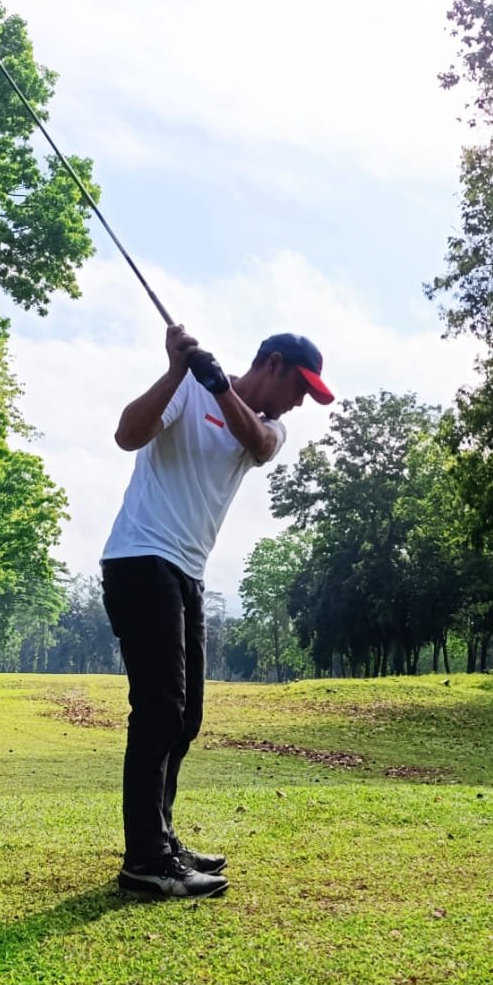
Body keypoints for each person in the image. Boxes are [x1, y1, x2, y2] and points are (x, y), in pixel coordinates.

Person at [102, 326, 333, 898]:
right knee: (158, 710)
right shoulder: (187, 390)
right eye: (300, 387)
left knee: (185, 718)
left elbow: (256, 441)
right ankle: (145, 862)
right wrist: (180, 371)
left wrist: (218, 384)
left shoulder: (269, 426)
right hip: (141, 557)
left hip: (187, 573)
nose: (300, 403)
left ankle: (161, 837)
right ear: (273, 364)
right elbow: (126, 435)